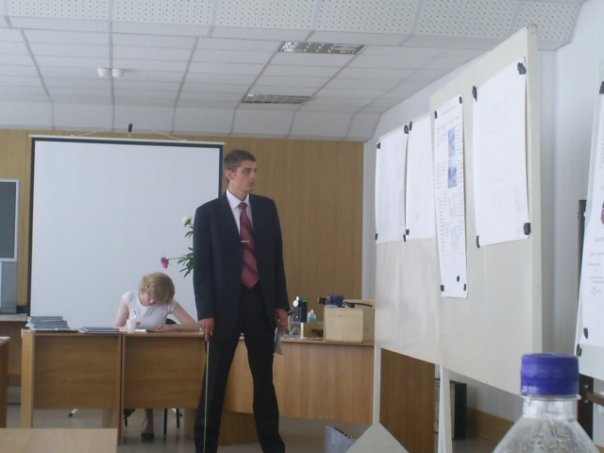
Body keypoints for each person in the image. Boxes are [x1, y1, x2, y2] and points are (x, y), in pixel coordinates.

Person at [193, 149, 289, 453]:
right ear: (230, 174)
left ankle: (272, 447)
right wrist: (206, 311)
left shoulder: (266, 208)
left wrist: (280, 305)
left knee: (264, 381)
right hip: (222, 309)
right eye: (247, 171)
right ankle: (204, 447)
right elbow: (202, 267)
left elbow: (276, 260)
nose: (253, 177)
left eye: (255, 171)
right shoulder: (208, 213)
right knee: (215, 382)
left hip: (259, 303)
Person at [114, 271, 199, 440]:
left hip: (156, 355)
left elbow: (194, 326)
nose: (153, 302)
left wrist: (171, 328)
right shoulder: (130, 298)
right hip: (130, 352)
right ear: (144, 289)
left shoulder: (167, 302)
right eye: (150, 298)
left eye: (157, 301)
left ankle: (149, 418)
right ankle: (128, 408)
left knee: (150, 373)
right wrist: (130, 327)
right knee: (131, 372)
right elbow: (116, 327)